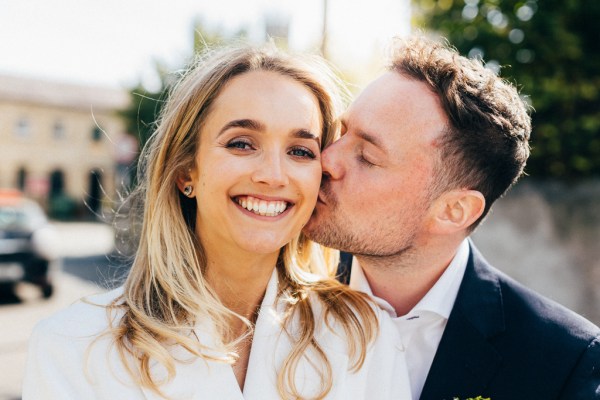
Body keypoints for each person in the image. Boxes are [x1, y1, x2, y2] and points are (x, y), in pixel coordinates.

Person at [23, 45, 411, 399]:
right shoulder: (72, 346)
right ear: (186, 172)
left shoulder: (365, 337)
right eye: (242, 143)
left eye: (300, 150)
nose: (273, 175)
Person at [304, 35, 600, 400]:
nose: (327, 160)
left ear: (453, 211)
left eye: (366, 156)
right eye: (341, 132)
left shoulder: (563, 364)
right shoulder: (275, 295)